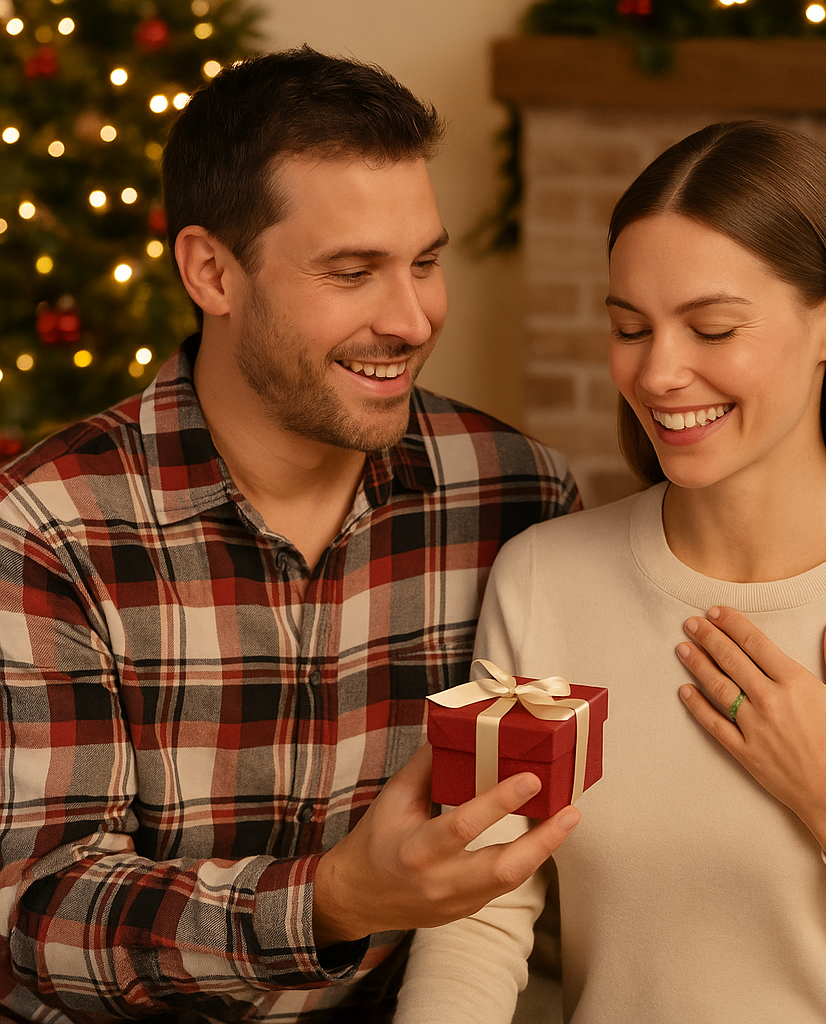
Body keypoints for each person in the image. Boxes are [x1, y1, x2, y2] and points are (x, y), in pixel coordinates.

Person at [394, 120, 826, 1023]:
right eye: (629, 327)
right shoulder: (544, 579)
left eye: (713, 327)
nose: (659, 372)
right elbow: (478, 920)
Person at [0, 47, 583, 1024]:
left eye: (426, 262)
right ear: (211, 271)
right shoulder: (48, 527)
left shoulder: (515, 494)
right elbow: (38, 912)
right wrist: (328, 902)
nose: (412, 317)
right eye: (353, 271)